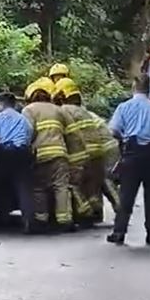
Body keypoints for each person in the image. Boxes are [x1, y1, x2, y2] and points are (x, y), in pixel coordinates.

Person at [106, 73, 150, 246]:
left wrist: (124, 140)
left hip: (131, 154)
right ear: (149, 88)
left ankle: (119, 231)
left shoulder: (123, 107)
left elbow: (113, 130)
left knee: (126, 196)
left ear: (134, 87)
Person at [22, 77, 74, 232]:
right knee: (61, 187)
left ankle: (41, 219)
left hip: (39, 155)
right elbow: (70, 132)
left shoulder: (28, 110)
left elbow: (27, 133)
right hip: (59, 154)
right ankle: (65, 220)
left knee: (39, 188)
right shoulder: (58, 110)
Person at [0, 93, 34, 232]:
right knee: (23, 187)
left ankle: (3, 217)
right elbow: (29, 135)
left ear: (0, 103)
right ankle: (28, 220)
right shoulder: (23, 119)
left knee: (1, 184)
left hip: (4, 152)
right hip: (22, 153)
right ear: (14, 104)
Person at [51, 78, 93, 225]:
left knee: (70, 186)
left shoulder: (62, 112)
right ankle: (88, 213)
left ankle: (84, 213)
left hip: (74, 157)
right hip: (87, 153)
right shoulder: (81, 111)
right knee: (87, 186)